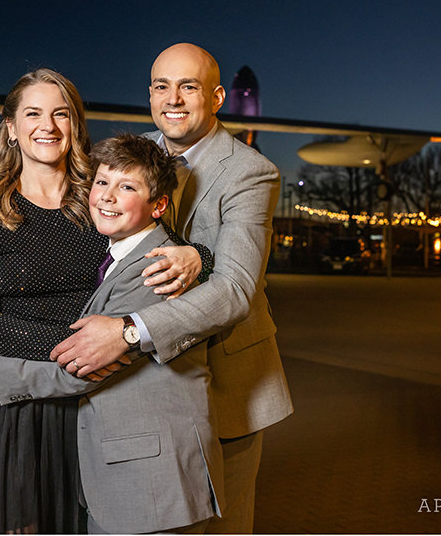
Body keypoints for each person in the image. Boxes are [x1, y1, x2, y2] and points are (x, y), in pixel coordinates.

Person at [51, 43, 294, 533]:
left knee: (221, 526)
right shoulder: (127, 154)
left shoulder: (251, 171)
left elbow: (235, 289)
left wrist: (128, 331)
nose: (174, 99)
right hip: (142, 388)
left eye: (189, 86)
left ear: (218, 96)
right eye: (162, 86)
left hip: (227, 384)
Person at [0, 69, 204, 534]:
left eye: (60, 114)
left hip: (96, 407)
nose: (47, 126)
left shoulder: (101, 200)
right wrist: (84, 345)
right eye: (33, 113)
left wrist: (198, 255)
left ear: (76, 126)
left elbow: (151, 244)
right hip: (17, 409)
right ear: (10, 127)